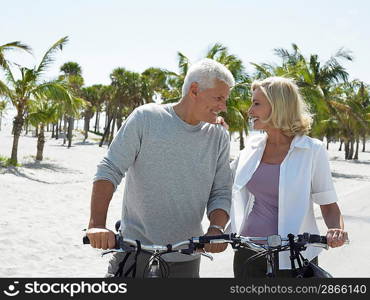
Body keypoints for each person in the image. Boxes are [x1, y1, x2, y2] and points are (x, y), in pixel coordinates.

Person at [86, 58, 235, 278]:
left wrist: (216, 229)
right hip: (133, 254)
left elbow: (221, 191)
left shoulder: (219, 135)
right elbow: (110, 169)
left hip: (187, 258)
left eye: (225, 99)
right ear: (194, 90)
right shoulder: (146, 118)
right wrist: (97, 224)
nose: (223, 106)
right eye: (218, 98)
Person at [229, 76, 348, 278]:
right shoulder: (251, 147)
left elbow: (328, 205)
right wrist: (215, 133)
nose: (250, 111)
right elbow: (221, 181)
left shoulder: (312, 150)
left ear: (278, 107)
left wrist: (335, 229)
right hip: (248, 253)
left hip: (295, 255)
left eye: (256, 104)